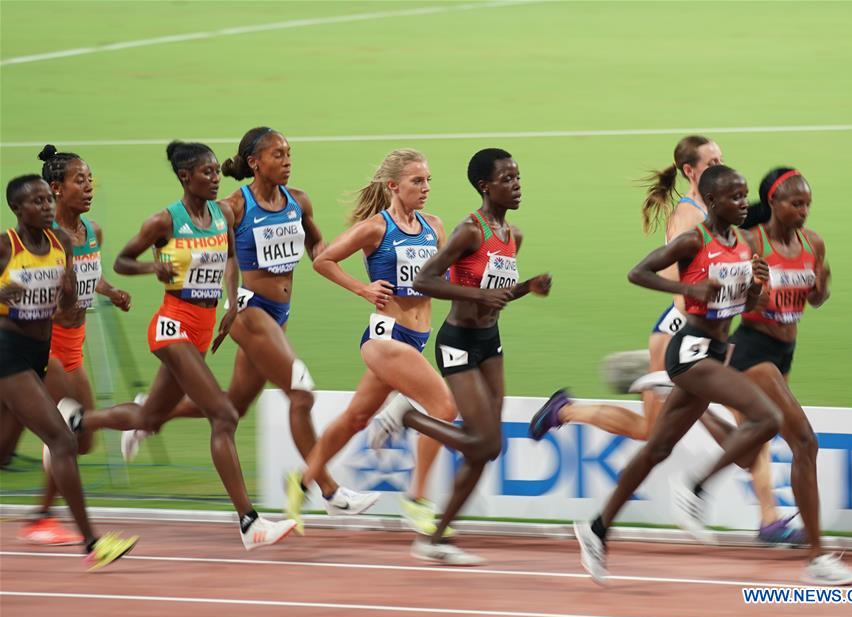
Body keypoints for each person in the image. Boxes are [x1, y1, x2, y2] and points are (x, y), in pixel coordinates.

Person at [567, 164, 852, 585]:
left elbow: (741, 305)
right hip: (691, 352)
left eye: (745, 197)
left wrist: (757, 286)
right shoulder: (695, 240)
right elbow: (638, 273)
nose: (744, 204)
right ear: (712, 201)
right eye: (736, 198)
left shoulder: (741, 244)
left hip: (719, 349)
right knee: (767, 418)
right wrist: (689, 290)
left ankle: (595, 529)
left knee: (657, 449)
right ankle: (694, 487)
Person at [530, 136, 795, 543]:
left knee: (715, 426)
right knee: (713, 425)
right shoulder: (689, 220)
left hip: (709, 333)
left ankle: (768, 516)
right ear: (692, 172)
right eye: (712, 161)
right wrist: (695, 308)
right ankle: (572, 411)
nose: (721, 164)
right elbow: (675, 283)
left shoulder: (724, 217)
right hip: (683, 331)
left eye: (723, 159)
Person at [118, 127, 378, 523]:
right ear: (255, 163)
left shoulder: (299, 201)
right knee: (301, 392)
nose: (287, 160)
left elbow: (318, 250)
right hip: (250, 311)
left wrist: (356, 277)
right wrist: (217, 294)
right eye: (277, 155)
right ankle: (327, 489)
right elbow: (213, 250)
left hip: (279, 315)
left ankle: (151, 413)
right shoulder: (233, 207)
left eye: (289, 153)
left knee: (233, 408)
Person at [65, 141, 296, 550]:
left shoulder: (222, 214)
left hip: (205, 326)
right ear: (185, 176)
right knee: (223, 414)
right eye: (206, 172)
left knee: (150, 417)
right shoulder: (164, 221)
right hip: (172, 323)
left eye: (216, 172)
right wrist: (153, 266)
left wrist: (230, 301)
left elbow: (229, 257)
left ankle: (79, 421)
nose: (214, 178)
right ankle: (249, 522)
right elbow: (122, 261)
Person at [368, 148, 551, 563]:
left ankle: (433, 539)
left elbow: (496, 295)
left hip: (491, 342)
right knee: (483, 442)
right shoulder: (470, 230)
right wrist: (478, 294)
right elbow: (425, 279)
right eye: (507, 179)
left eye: (518, 177)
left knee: (488, 447)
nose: (516, 185)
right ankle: (407, 416)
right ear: (485, 186)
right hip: (458, 343)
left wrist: (526, 288)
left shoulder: (513, 235)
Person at [291, 148, 474, 557]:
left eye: (428, 180)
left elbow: (440, 278)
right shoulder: (376, 228)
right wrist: (363, 288)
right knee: (443, 406)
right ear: (394, 186)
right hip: (385, 337)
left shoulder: (435, 226)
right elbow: (323, 261)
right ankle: (418, 500)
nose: (426, 188)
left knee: (357, 417)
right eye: (417, 181)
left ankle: (303, 481)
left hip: (415, 339)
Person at [0, 174, 137, 569]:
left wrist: (72, 298)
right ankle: (93, 544)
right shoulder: (6, 245)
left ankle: (48, 520)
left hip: (38, 352)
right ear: (17, 209)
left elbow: (69, 292)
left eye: (47, 200)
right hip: (7, 354)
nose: (45, 207)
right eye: (36, 202)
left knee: (4, 452)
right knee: (62, 439)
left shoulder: (61, 243)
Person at [725, 167, 852, 577]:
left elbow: (814, 300)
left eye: (808, 205)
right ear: (774, 203)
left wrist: (821, 286)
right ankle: (817, 556)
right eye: (796, 204)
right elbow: (738, 307)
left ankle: (689, 400)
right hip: (752, 349)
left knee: (749, 450)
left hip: (785, 350)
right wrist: (755, 290)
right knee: (804, 440)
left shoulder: (812, 243)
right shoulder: (751, 242)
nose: (803, 211)